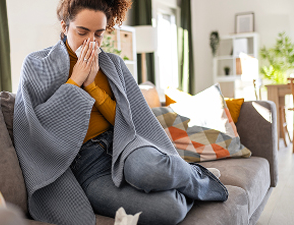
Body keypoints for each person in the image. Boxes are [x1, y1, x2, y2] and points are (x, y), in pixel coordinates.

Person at [13, 0, 228, 224]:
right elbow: (35, 128)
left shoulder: (112, 64)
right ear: (64, 27)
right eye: (82, 31)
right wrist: (76, 80)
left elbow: (130, 121)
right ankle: (185, 180)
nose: (90, 41)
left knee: (149, 171)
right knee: (170, 210)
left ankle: (194, 175)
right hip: (86, 167)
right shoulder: (37, 64)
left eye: (98, 34)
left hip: (125, 144)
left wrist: (93, 87)